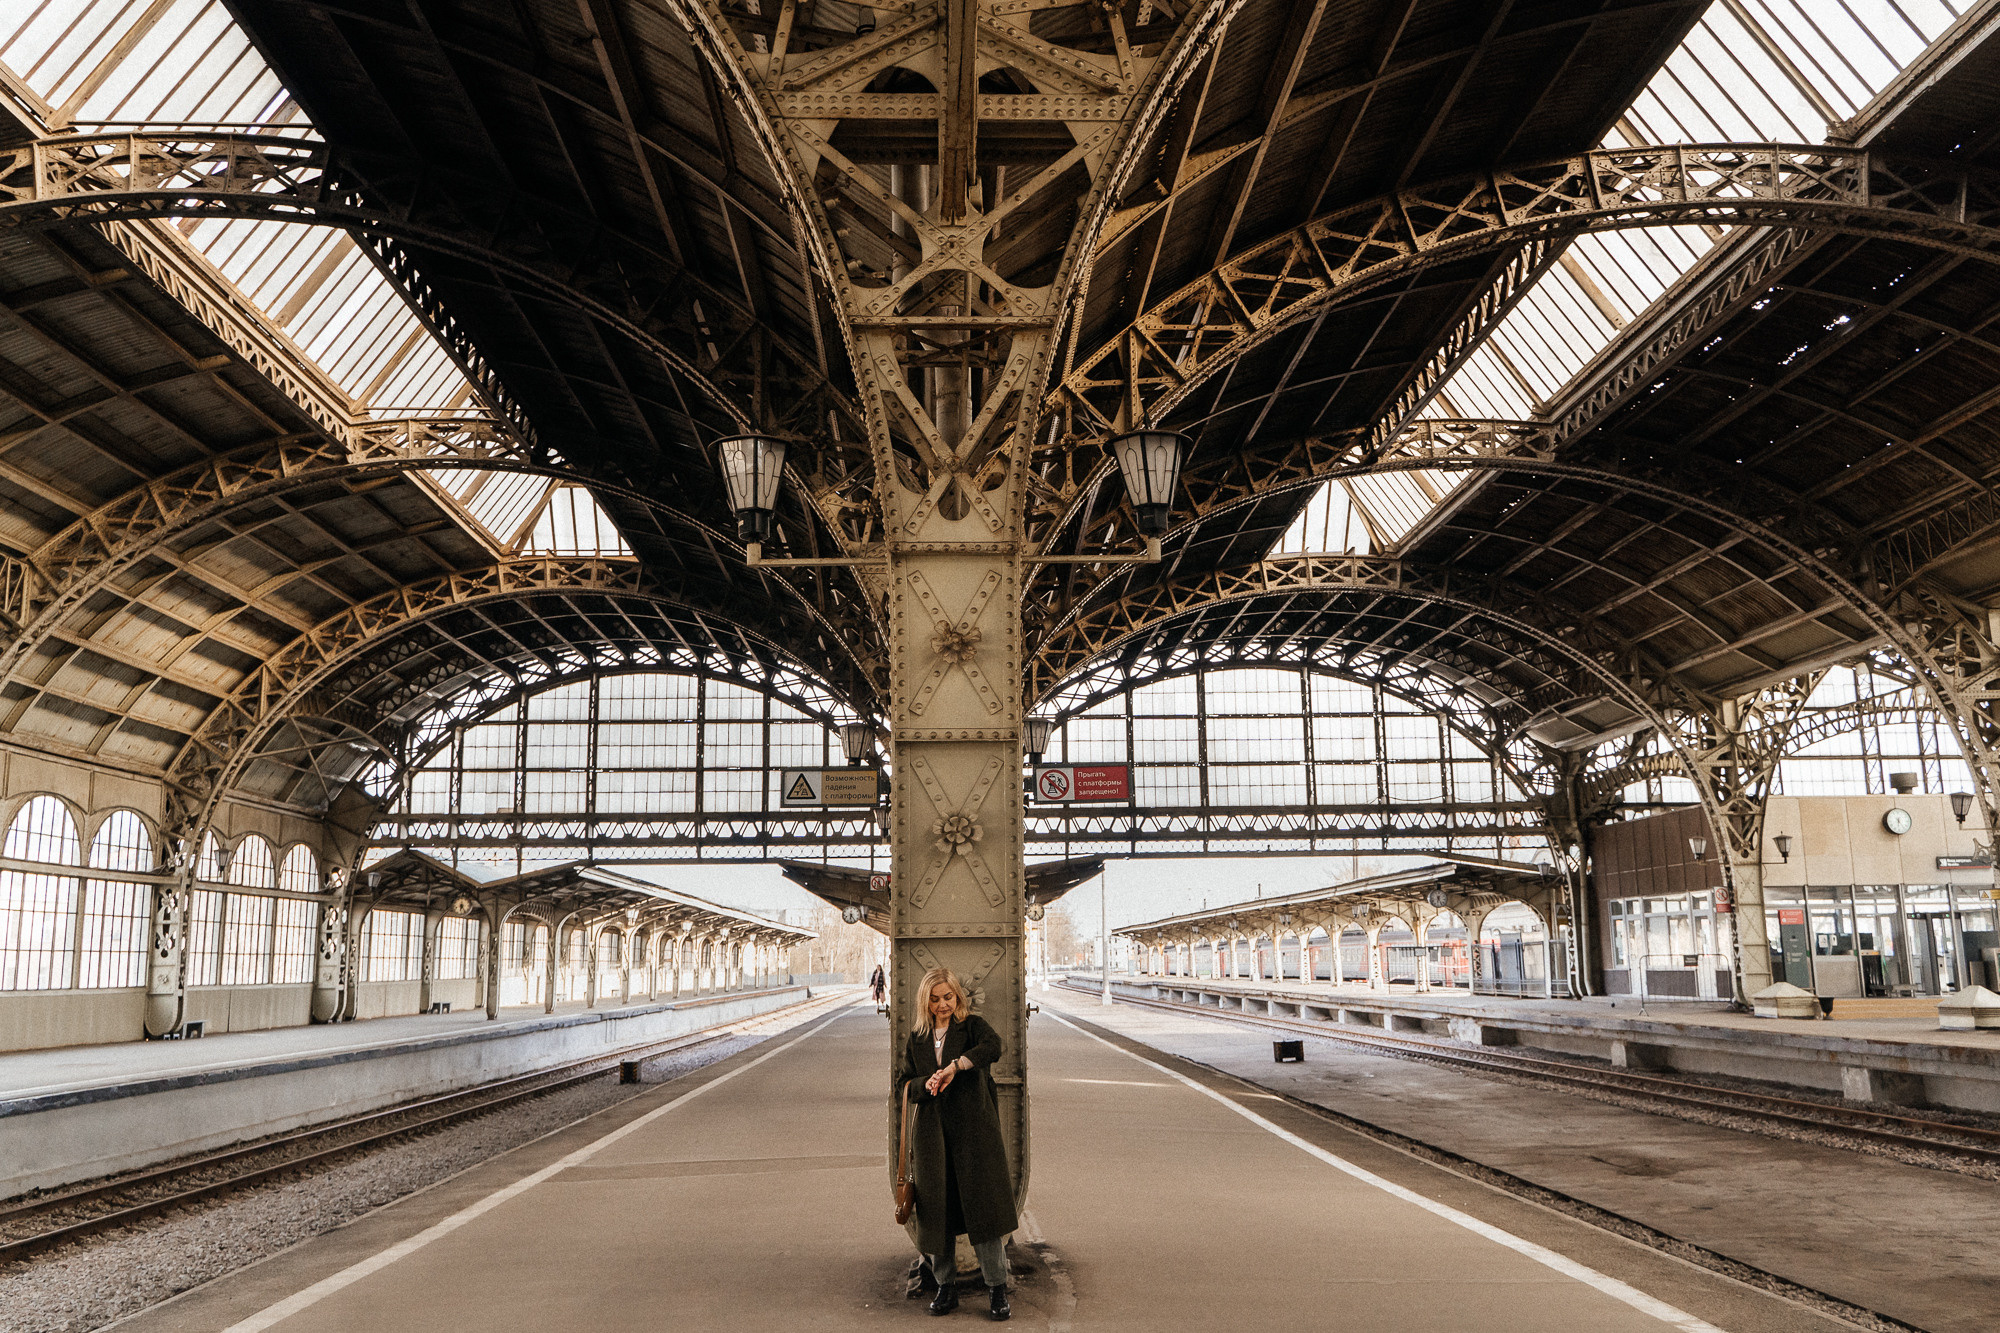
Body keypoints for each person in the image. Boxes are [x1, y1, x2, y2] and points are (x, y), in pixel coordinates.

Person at [894, 967, 1018, 1320]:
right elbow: (903, 1083)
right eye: (934, 999)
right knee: (937, 1212)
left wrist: (956, 1066)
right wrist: (926, 1083)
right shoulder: (917, 1038)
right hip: (933, 1134)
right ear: (925, 1002)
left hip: (973, 1132)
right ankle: (945, 1288)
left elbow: (994, 1047)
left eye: (948, 997)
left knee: (983, 1211)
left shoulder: (972, 1027)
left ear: (958, 997)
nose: (942, 1004)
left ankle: (997, 1289)